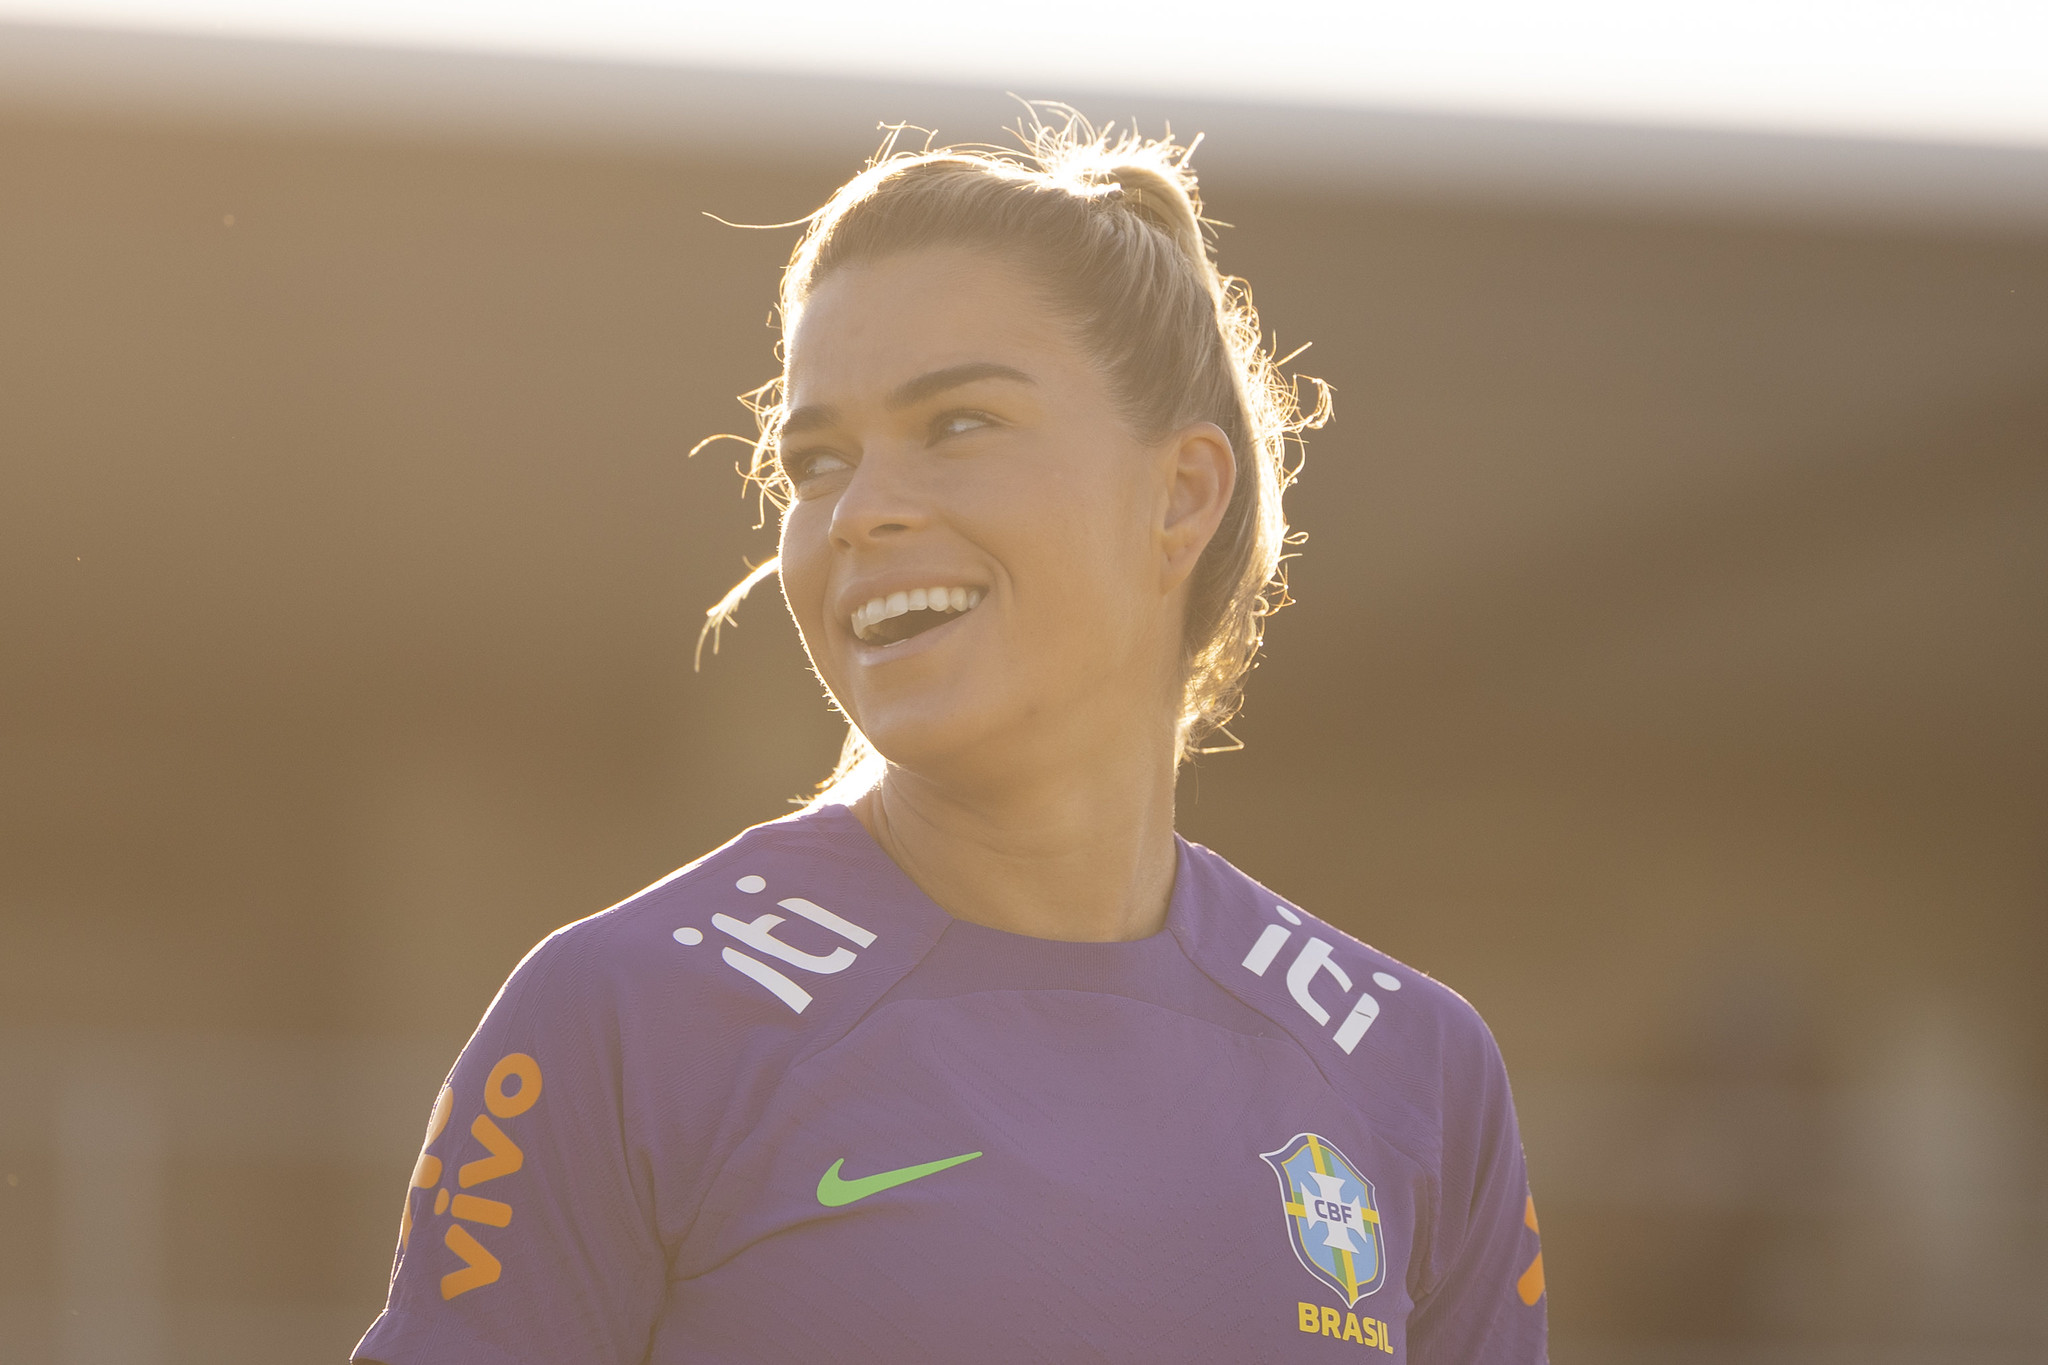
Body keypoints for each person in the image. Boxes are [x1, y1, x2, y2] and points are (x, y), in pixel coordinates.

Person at [353, 115, 1547, 1364]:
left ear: (1182, 493)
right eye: (815, 462)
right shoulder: (625, 1016)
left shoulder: (1413, 1070)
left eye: (959, 424)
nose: (862, 512)